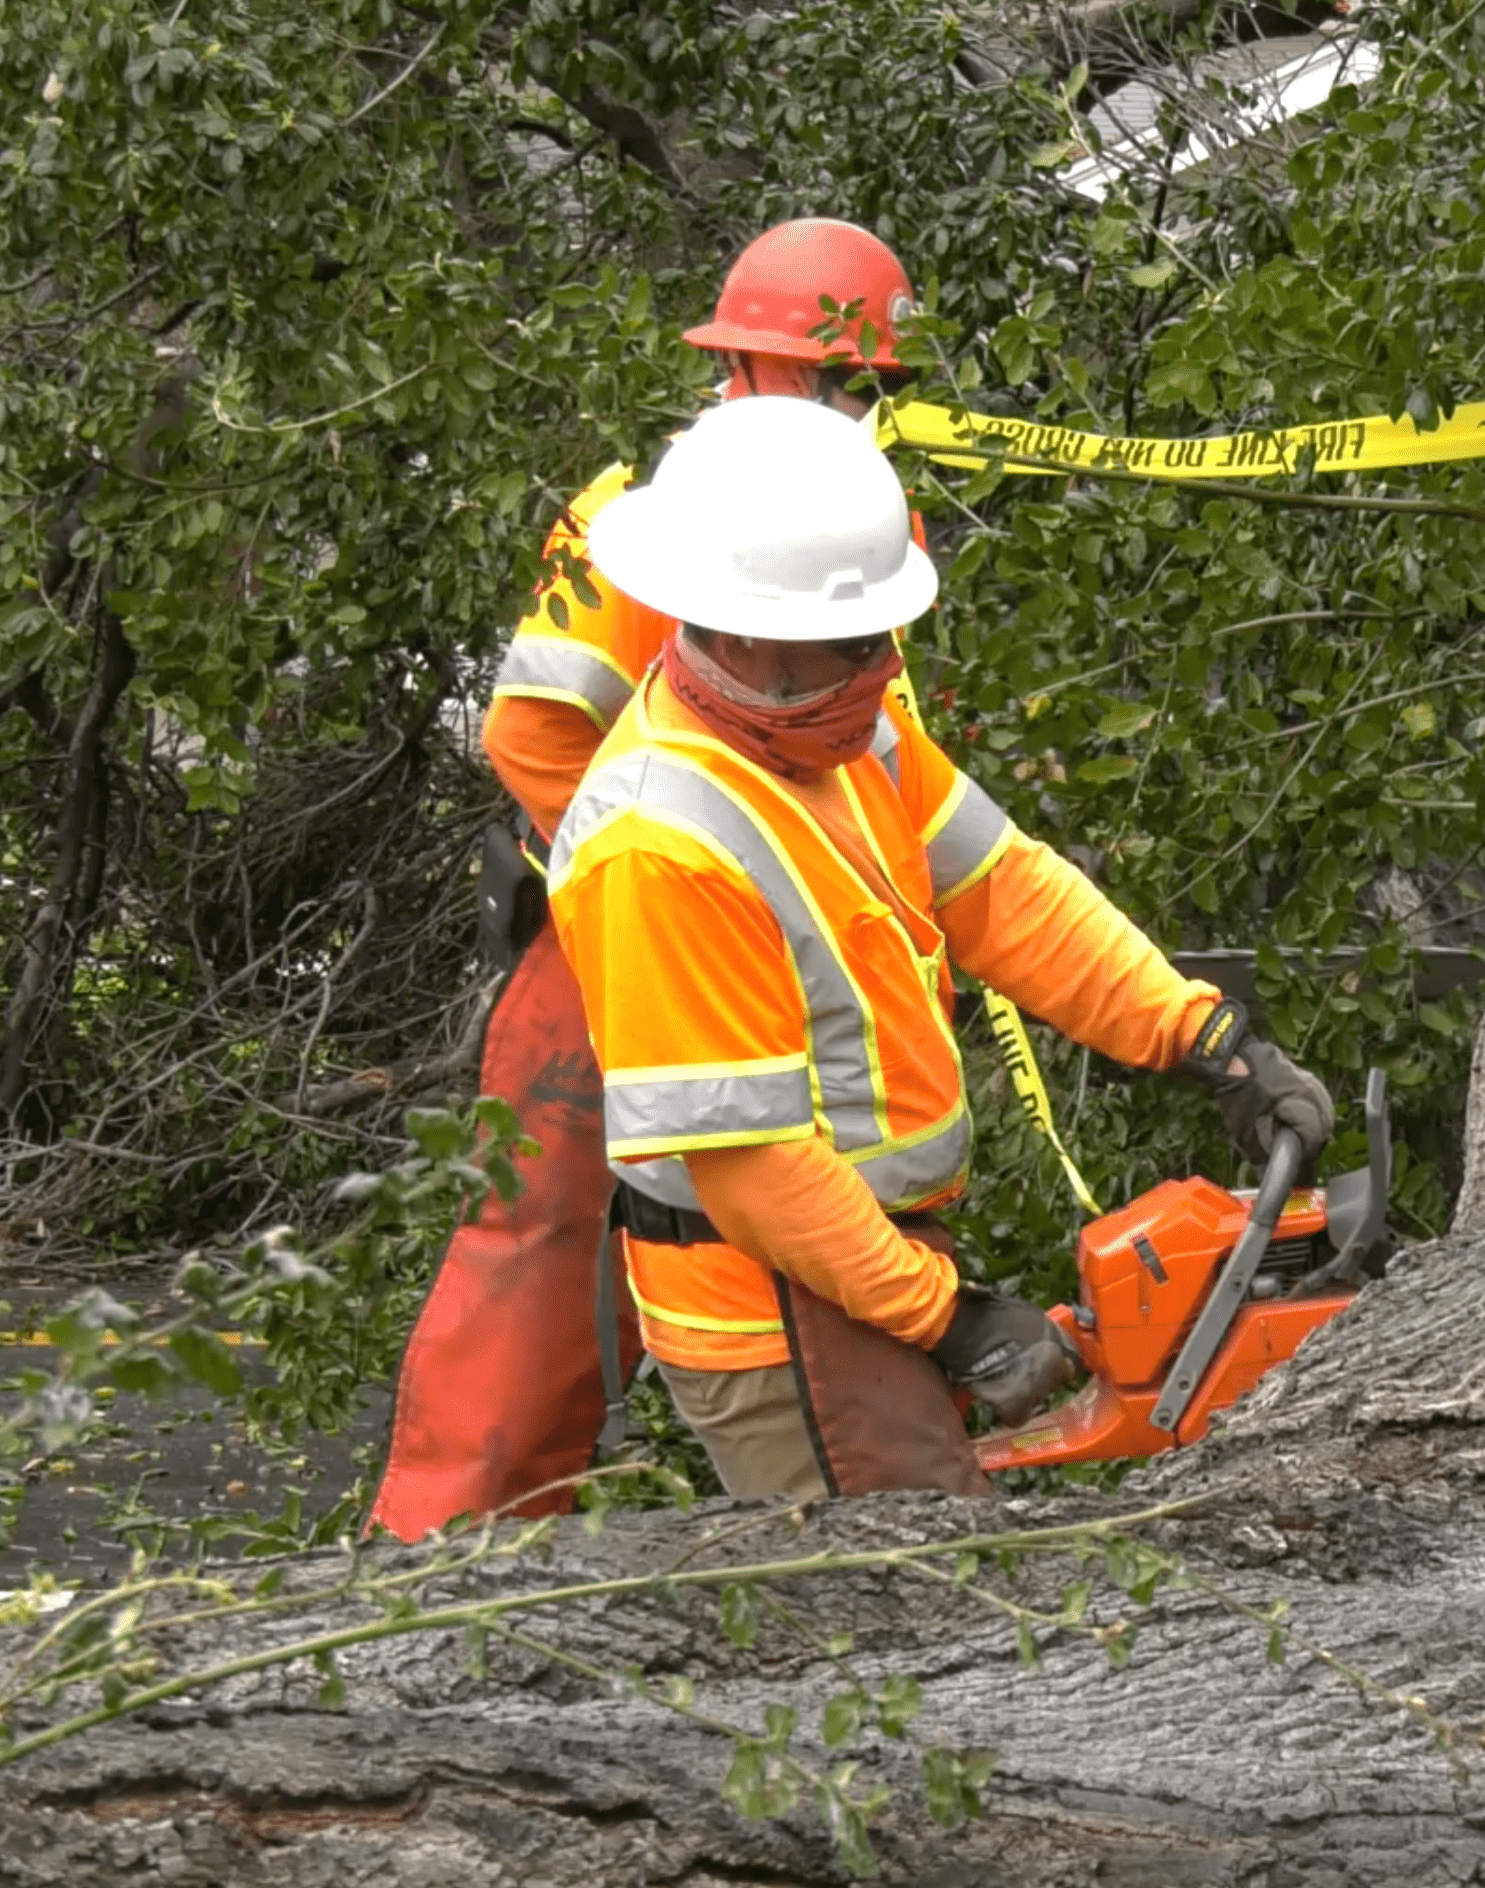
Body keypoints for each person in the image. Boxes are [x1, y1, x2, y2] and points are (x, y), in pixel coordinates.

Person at [547, 394, 1333, 1499]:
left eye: (878, 639)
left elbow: (1007, 891)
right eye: (842, 645)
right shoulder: (658, 845)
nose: (875, 670)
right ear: (732, 628)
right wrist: (952, 1317)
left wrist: (1201, 1035)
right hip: (778, 1312)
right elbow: (753, 1166)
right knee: (920, 1613)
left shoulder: (845, 733)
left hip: (864, 1266)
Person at [367, 218, 935, 1540]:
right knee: (539, 1267)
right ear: (747, 368)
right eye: (840, 382)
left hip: (746, 930)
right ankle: (448, 1567)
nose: (859, 412)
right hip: (606, 944)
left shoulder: (844, 514)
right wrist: (656, 887)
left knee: (773, 1233)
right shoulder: (646, 513)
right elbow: (530, 730)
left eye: (872, 390)